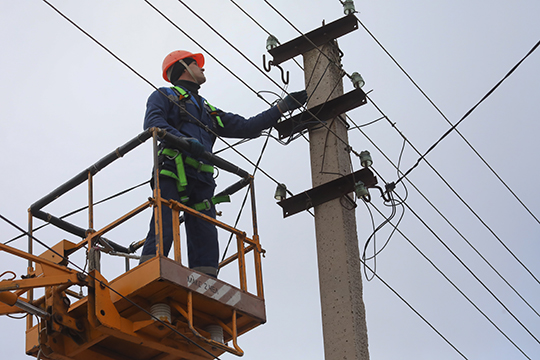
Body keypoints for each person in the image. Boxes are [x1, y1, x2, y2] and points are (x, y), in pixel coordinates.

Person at [140, 50, 307, 277]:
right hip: (173, 170)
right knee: (165, 226)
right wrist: (183, 141)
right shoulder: (165, 96)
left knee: (206, 236)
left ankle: (206, 284)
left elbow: (247, 126)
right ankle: (148, 273)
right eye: (197, 64)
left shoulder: (208, 110)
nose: (203, 68)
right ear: (184, 68)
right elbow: (153, 123)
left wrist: (282, 107)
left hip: (202, 180)